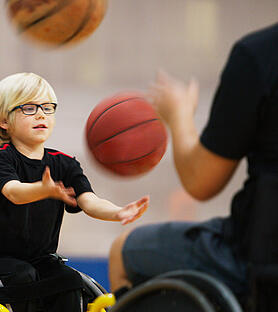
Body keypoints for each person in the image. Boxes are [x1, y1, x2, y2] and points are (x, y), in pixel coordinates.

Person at [0, 72, 149, 312]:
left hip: (39, 259)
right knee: (21, 277)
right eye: (29, 108)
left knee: (69, 282)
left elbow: (89, 201)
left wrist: (118, 212)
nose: (41, 115)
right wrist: (43, 189)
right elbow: (12, 191)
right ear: (5, 121)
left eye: (48, 108)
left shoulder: (64, 163)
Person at [108, 22, 278, 297]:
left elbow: (201, 181)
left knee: (122, 252)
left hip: (260, 268)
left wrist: (179, 114)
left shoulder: (259, 54)